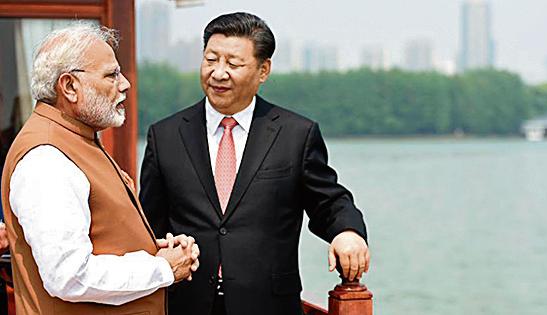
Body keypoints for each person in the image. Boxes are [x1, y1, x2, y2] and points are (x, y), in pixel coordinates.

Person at [140, 12, 370, 315]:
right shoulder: (165, 135)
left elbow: (329, 201)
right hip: (186, 303)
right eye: (211, 59)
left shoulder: (295, 134)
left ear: (263, 70)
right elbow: (147, 225)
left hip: (269, 305)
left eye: (233, 64)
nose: (218, 73)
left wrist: (348, 232)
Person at [0, 23, 200, 315]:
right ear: (69, 87)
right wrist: (161, 267)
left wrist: (152, 248)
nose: (125, 84)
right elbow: (69, 276)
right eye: (111, 75)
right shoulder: (46, 158)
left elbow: (93, 239)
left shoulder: (75, 138)